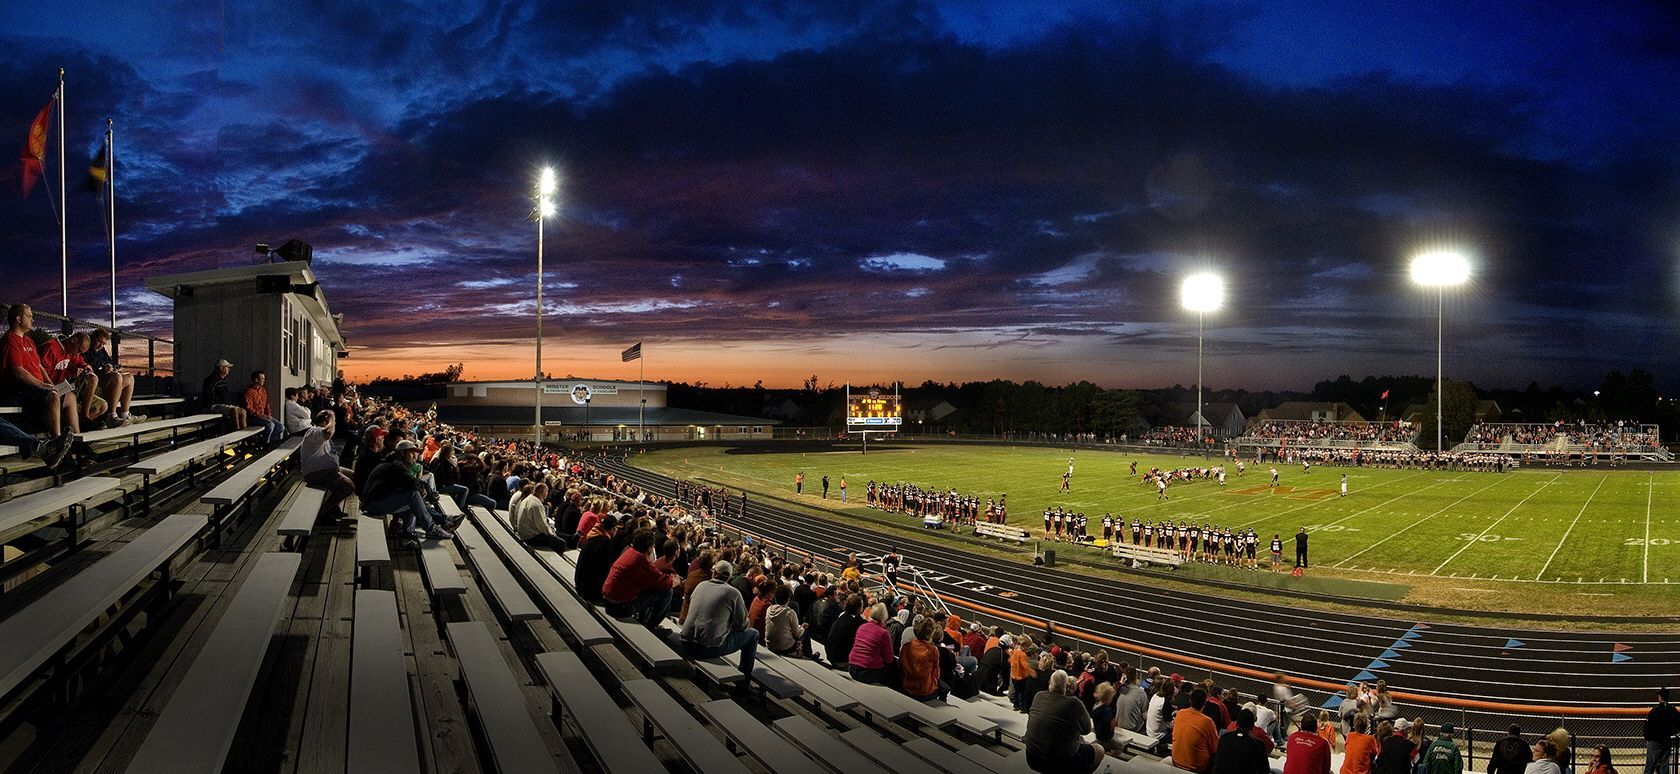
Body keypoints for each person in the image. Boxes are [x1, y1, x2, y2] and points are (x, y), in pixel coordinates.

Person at [2, 304, 79, 462]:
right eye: (29, 316)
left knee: (69, 397)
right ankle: (57, 443)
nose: (32, 319)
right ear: (18, 319)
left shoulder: (29, 341)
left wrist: (50, 383)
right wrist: (43, 385)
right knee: (52, 396)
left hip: (37, 387)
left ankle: (75, 444)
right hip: (21, 389)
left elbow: (38, 366)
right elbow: (18, 372)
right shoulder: (10, 340)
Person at [679, 560, 760, 679]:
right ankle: (744, 683)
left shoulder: (701, 585)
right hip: (705, 649)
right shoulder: (732, 593)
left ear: (714, 572)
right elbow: (742, 625)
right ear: (729, 577)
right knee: (753, 634)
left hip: (685, 642)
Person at [361, 440, 450, 545]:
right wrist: (422, 489)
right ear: (403, 453)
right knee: (413, 495)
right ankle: (432, 529)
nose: (414, 456)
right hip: (373, 504)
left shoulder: (395, 463)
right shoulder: (397, 465)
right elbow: (413, 483)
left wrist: (421, 487)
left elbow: (410, 484)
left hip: (376, 502)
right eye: (411, 452)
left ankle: (407, 537)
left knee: (412, 500)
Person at [1025, 669, 1103, 773]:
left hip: (1032, 758)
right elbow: (1086, 730)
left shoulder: (1038, 696)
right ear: (1067, 687)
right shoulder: (1074, 703)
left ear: (1049, 683)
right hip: (1060, 763)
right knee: (1100, 750)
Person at [602, 528, 680, 628]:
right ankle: (652, 627)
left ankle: (645, 620)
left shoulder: (630, 552)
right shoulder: (639, 560)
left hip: (610, 601)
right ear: (649, 548)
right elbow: (664, 582)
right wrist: (675, 580)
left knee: (649, 589)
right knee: (667, 592)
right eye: (653, 546)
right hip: (619, 607)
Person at [299, 409, 354, 520]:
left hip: (326, 470)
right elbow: (328, 432)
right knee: (347, 486)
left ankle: (334, 508)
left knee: (354, 475)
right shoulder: (314, 431)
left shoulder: (317, 432)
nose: (335, 424)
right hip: (317, 472)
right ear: (326, 421)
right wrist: (331, 418)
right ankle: (322, 514)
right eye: (333, 421)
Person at [571, 514, 620, 605]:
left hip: (580, 583)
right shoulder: (605, 542)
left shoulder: (594, 535)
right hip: (589, 590)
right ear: (612, 528)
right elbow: (606, 569)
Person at [1173, 688, 1220, 774]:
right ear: (1204, 703)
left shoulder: (1180, 713)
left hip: (1176, 761)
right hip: (1196, 767)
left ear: (1190, 700)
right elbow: (1216, 747)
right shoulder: (1207, 721)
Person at [848, 603, 897, 685]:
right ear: (884, 615)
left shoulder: (862, 627)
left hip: (852, 668)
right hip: (868, 673)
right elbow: (889, 659)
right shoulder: (883, 633)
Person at [1212, 708, 1270, 774]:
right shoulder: (1258, 744)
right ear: (1252, 726)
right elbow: (1265, 770)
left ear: (1236, 724)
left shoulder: (1223, 738)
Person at [899, 616, 942, 701]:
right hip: (925, 690)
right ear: (931, 633)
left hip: (907, 686)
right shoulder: (933, 649)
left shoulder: (906, 646)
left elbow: (901, 665)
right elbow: (936, 673)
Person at [514, 481, 564, 550]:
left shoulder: (530, 498)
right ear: (542, 492)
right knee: (561, 543)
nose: (547, 493)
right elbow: (542, 526)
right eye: (546, 491)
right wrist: (553, 534)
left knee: (557, 534)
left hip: (525, 532)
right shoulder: (536, 504)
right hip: (530, 537)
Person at [1645, 688, 1680, 774]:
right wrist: (1672, 732)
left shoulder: (1654, 711)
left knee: (1650, 764)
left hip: (1654, 741)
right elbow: (1678, 724)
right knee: (1664, 764)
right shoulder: (1672, 710)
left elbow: (1646, 726)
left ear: (1660, 697)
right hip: (1666, 740)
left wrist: (1647, 738)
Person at [824, 594, 865, 668]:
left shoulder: (842, 616)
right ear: (859, 608)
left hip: (830, 654)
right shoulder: (858, 623)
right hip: (841, 660)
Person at [763, 584, 805, 656]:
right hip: (784, 647)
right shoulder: (790, 612)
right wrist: (803, 628)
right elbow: (797, 634)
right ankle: (806, 654)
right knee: (804, 632)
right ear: (788, 599)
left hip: (769, 644)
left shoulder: (769, 609)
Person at [243, 370, 282, 443]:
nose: (264, 380)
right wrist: (263, 416)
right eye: (262, 379)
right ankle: (265, 444)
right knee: (270, 424)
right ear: (256, 379)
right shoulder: (249, 391)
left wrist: (268, 415)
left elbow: (267, 404)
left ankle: (265, 441)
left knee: (280, 427)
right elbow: (249, 409)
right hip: (253, 417)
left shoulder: (263, 390)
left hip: (264, 416)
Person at [1091, 682, 1122, 754]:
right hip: (1106, 738)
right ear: (1108, 698)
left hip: (1098, 736)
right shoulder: (1107, 711)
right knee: (1120, 747)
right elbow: (1110, 725)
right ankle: (1109, 756)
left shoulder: (1095, 706)